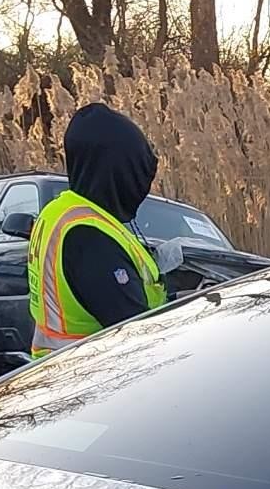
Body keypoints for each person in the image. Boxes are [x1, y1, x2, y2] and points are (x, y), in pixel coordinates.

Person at [27, 102, 169, 358]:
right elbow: (136, 332)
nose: (142, 187)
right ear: (116, 172)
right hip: (94, 375)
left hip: (64, 372)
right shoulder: (86, 236)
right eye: (137, 173)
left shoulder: (60, 212)